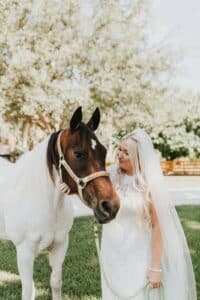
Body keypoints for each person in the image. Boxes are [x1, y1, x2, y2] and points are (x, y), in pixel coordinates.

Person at [100, 128, 196, 300]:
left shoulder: (149, 184)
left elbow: (157, 226)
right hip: (112, 249)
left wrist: (155, 267)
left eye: (126, 153)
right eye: (119, 150)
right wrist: (70, 189)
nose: (120, 155)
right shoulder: (111, 175)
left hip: (138, 252)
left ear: (137, 158)